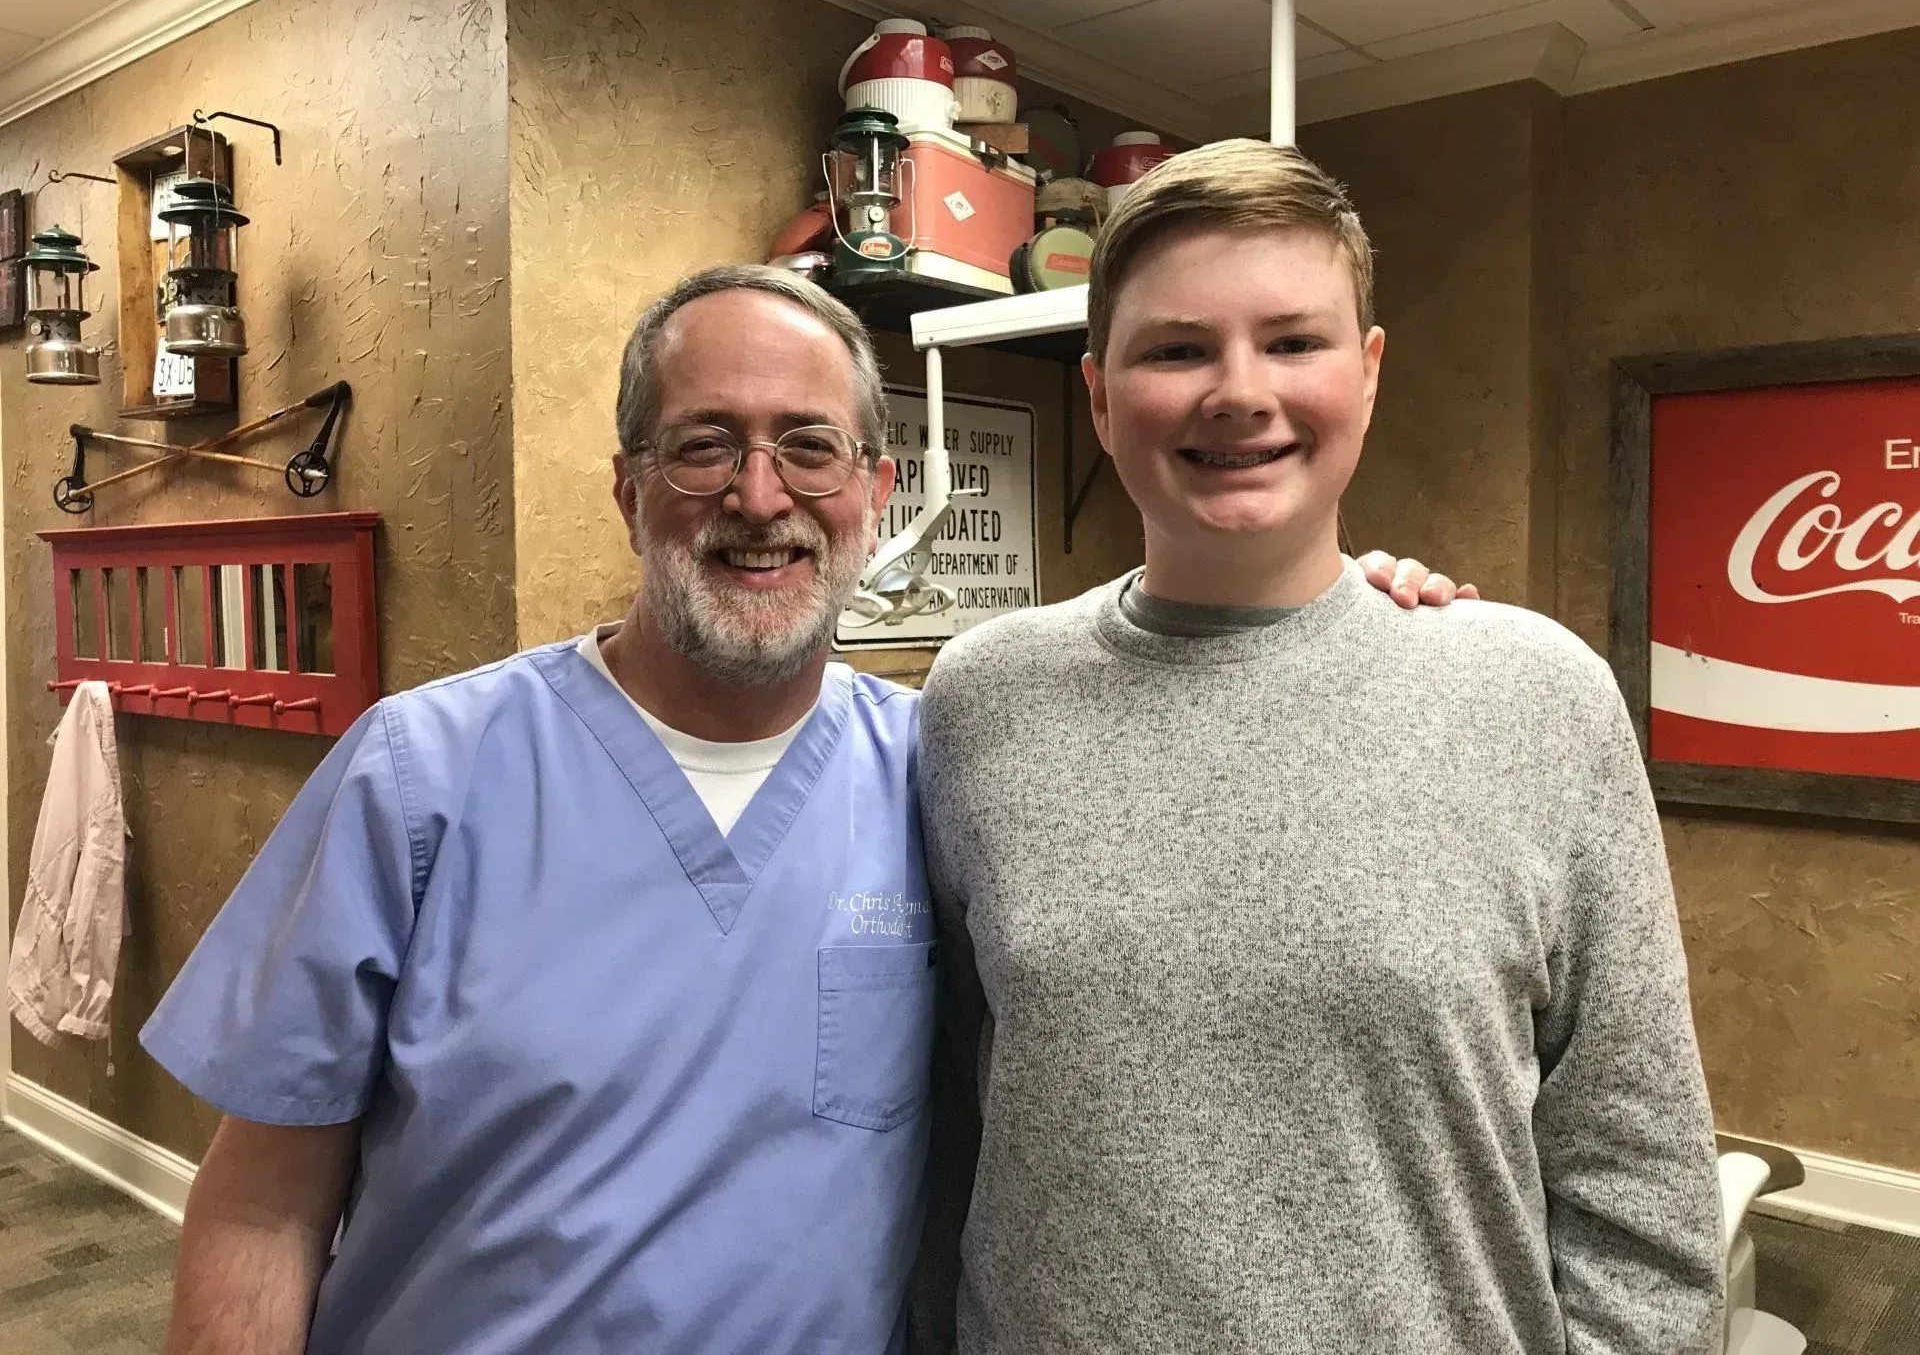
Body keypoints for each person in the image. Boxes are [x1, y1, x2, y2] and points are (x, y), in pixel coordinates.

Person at [141, 262, 1463, 1355]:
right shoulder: (422, 776)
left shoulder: (948, 766)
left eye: (808, 448)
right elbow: (258, 1212)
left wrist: (1343, 619)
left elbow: (1190, 797)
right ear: (629, 488)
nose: (758, 497)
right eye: (704, 444)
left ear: (874, 496)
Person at [916, 141, 1723, 1355]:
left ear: (1370, 370)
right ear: (1098, 392)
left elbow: (1639, 1184)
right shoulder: (981, 698)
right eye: (1178, 347)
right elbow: (947, 1115)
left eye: (1292, 341)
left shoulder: (1534, 696)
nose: (1238, 391)